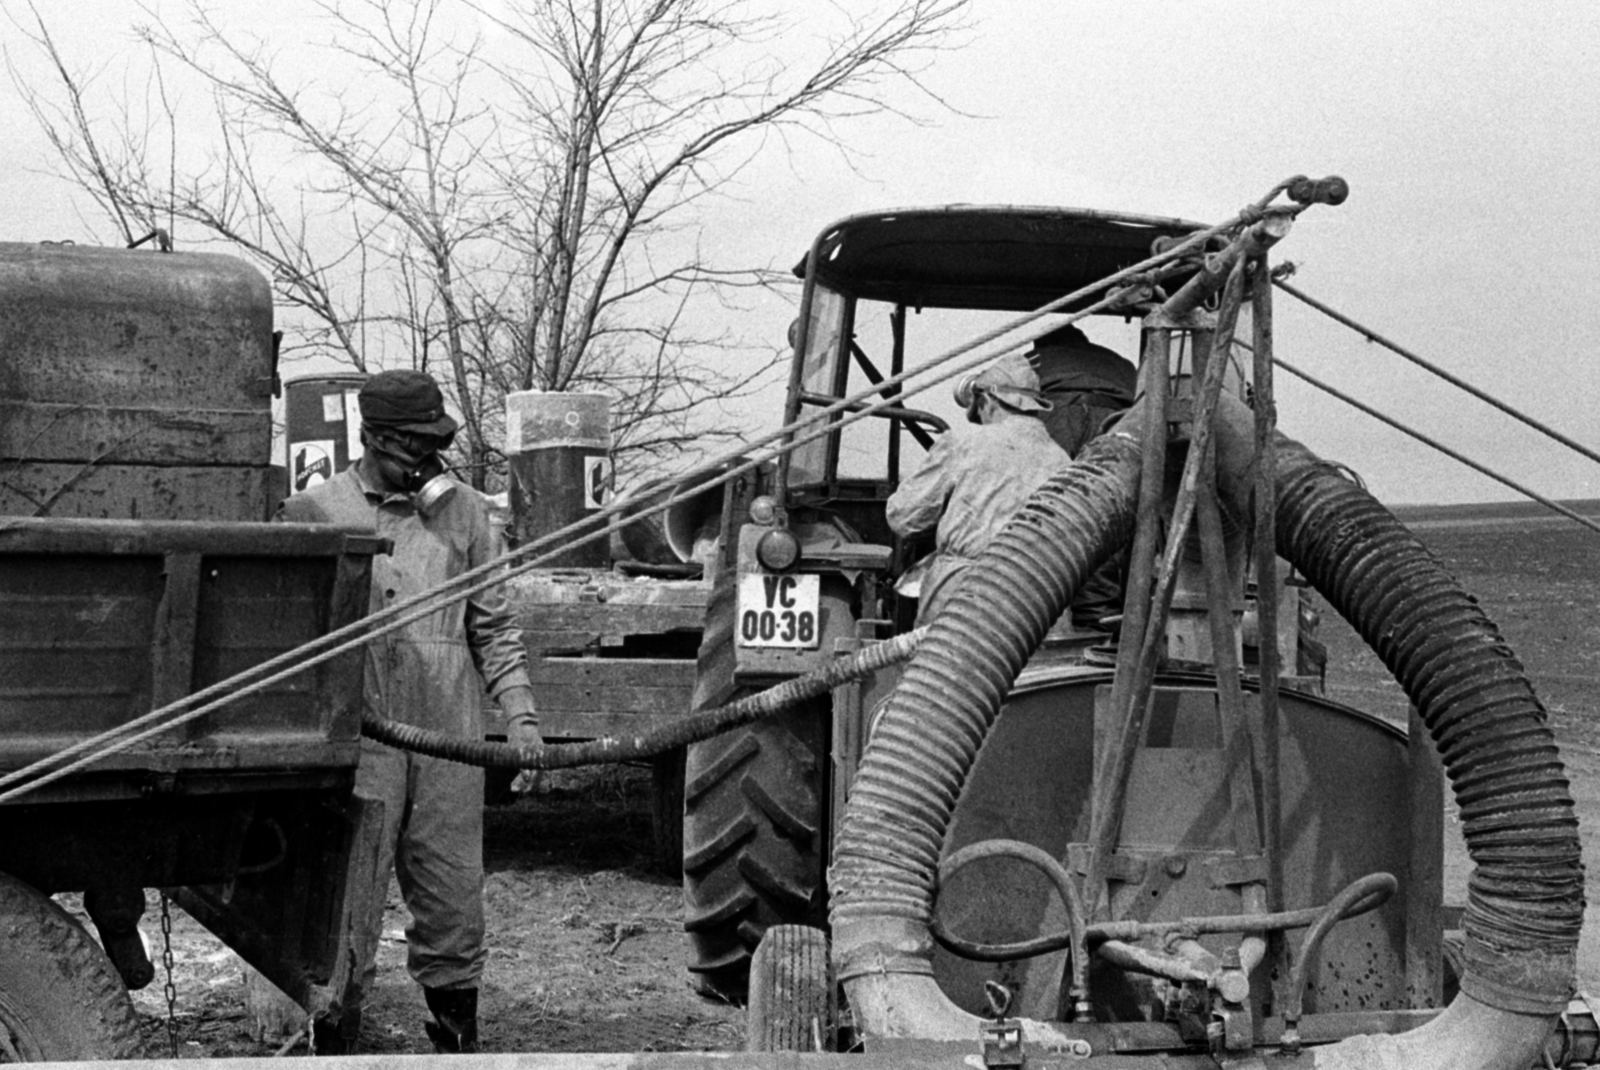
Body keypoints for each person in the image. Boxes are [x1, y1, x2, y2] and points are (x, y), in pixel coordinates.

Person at [276, 369, 541, 1055]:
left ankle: (456, 1045)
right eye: (414, 450)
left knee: (454, 909)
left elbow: (496, 630)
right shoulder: (316, 513)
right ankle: (334, 1045)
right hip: (360, 747)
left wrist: (521, 719)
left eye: (436, 446)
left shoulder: (465, 516)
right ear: (373, 439)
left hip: (449, 744)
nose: (430, 463)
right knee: (343, 918)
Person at [886, 353, 1070, 623]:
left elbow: (904, 517)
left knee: (943, 664)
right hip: (1041, 598)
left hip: (965, 595)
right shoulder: (1064, 460)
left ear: (987, 401)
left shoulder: (962, 442)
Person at [1026, 322, 1138, 459]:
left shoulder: (1035, 358)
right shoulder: (1119, 360)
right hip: (1114, 417)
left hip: (1061, 415)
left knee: (1054, 474)